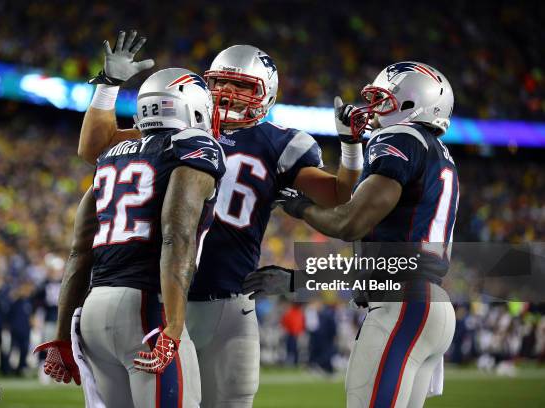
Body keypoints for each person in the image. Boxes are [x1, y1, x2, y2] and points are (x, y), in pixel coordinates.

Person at [77, 30, 363, 407]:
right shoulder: (179, 129)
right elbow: (95, 148)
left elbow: (337, 193)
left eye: (240, 85)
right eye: (220, 82)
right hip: (160, 300)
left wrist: (351, 147)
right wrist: (109, 86)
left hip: (227, 300)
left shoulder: (281, 143)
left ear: (268, 96)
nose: (227, 92)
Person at [35, 62, 226, 407]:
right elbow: (176, 235)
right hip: (146, 307)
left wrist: (62, 335)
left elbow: (80, 251)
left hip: (93, 309)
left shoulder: (110, 156)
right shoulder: (193, 147)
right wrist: (173, 328)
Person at [271, 61, 459, 408]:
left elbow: (350, 223)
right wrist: (351, 146)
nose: (373, 110)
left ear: (412, 103)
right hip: (428, 304)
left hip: (402, 304)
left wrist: (298, 206)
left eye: (385, 100)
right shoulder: (438, 153)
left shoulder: (400, 137)